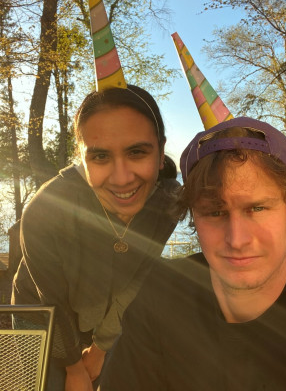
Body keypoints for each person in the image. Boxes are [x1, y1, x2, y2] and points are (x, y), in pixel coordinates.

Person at [100, 116, 286, 391]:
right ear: (194, 217)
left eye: (257, 208)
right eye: (215, 212)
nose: (237, 239)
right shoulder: (162, 297)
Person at [11, 84, 179, 391]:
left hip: (103, 316)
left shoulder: (167, 203)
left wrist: (100, 349)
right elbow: (51, 302)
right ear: (81, 157)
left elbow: (137, 280)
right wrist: (74, 369)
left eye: (137, 151)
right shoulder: (47, 209)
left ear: (160, 151)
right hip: (40, 317)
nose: (122, 177)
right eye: (100, 156)